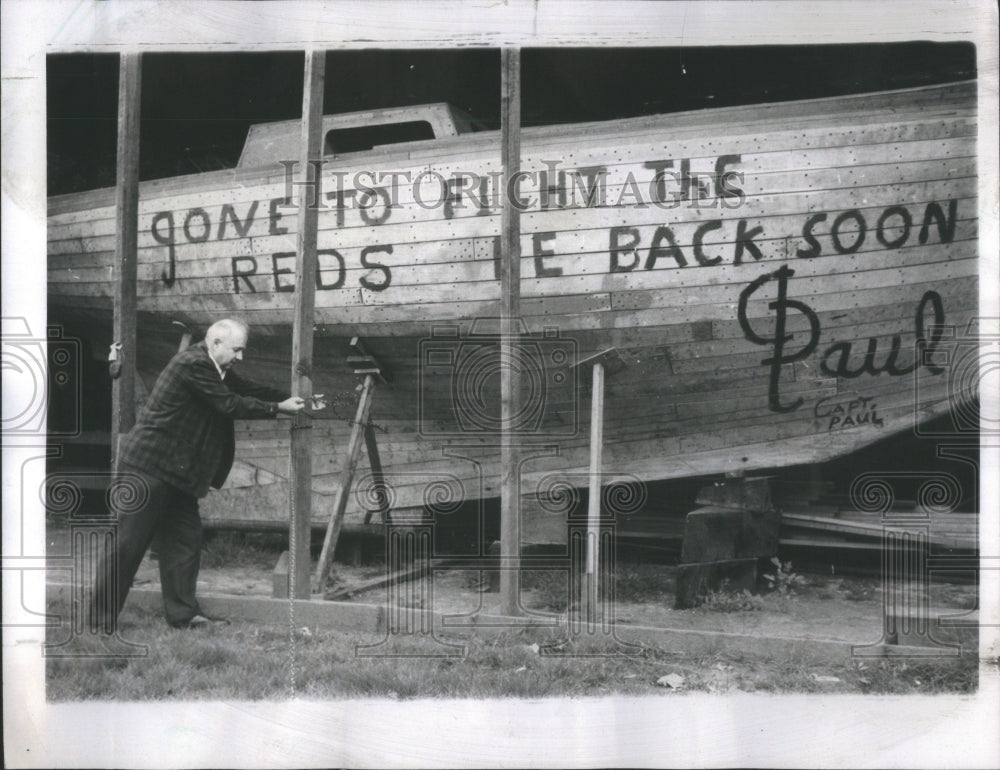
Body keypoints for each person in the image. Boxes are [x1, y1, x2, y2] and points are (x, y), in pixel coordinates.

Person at [91, 318, 307, 632]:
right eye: (237, 350)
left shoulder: (216, 368)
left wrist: (290, 397)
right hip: (148, 468)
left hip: (177, 475)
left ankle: (183, 616)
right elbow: (228, 403)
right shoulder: (194, 364)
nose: (240, 357)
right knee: (127, 546)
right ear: (216, 343)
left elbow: (246, 389)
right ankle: (98, 623)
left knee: (184, 543)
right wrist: (278, 409)